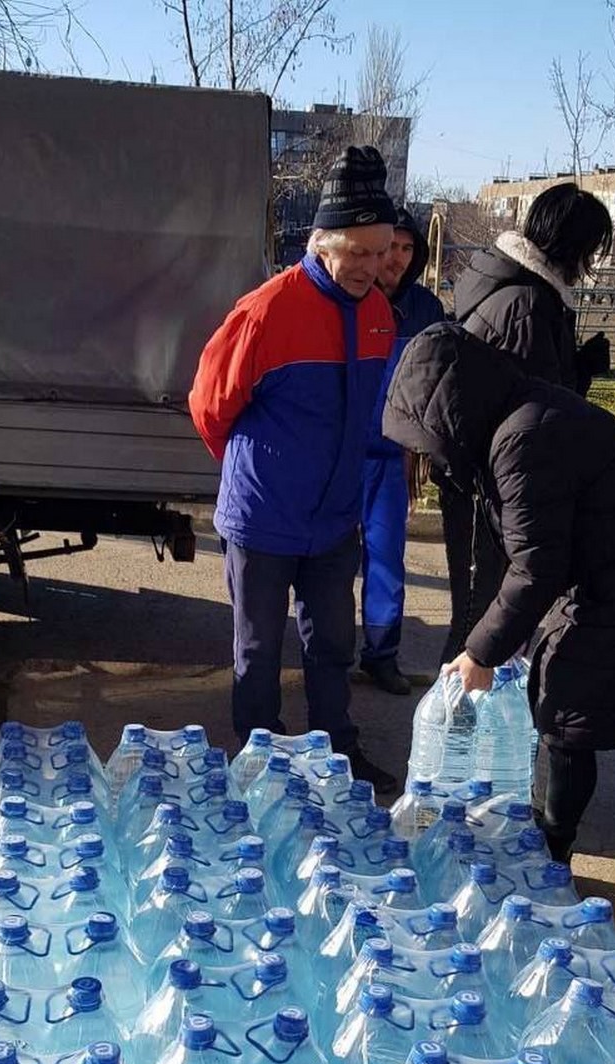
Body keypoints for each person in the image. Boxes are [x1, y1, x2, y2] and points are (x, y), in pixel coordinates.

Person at [383, 322, 615, 863]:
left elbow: (536, 566)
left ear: (450, 407)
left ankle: (551, 853)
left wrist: (480, 652)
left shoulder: (523, 436)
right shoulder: (517, 417)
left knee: (567, 712)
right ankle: (542, 832)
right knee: (556, 696)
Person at [189, 146, 400, 793]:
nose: (371, 266)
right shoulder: (267, 311)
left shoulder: (378, 318)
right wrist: (255, 476)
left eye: (381, 250)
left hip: (334, 522)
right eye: (357, 252)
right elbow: (208, 404)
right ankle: (257, 763)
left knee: (332, 644)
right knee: (257, 652)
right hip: (262, 520)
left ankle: (337, 752)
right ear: (322, 243)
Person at [440, 182, 614, 661]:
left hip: (494, 484)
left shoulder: (528, 294)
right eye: (590, 250)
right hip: (490, 488)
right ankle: (453, 731)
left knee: (488, 623)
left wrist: (576, 368)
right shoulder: (526, 303)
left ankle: (471, 727)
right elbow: (530, 419)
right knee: (480, 630)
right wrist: (575, 377)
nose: (590, 264)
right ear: (569, 244)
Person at [360, 205, 446, 696]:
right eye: (390, 245)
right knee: (325, 562)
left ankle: (381, 654)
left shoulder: (426, 310)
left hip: (393, 458)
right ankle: (323, 655)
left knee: (387, 560)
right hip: (342, 452)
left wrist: (426, 445)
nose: (396, 257)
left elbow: (438, 381)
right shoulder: (348, 299)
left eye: (407, 248)